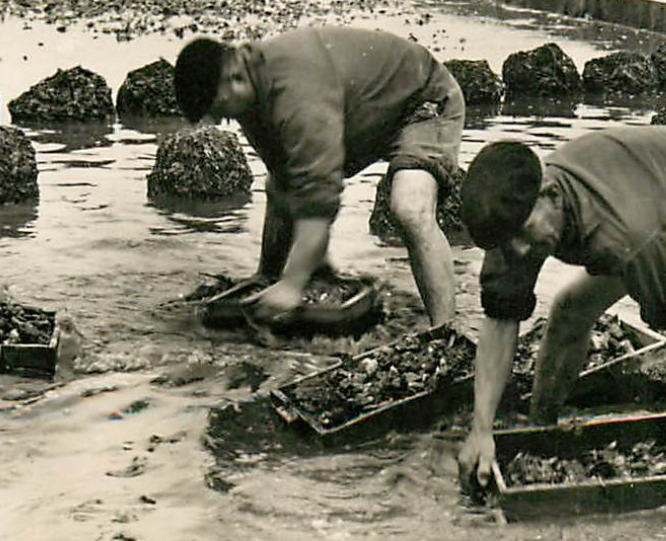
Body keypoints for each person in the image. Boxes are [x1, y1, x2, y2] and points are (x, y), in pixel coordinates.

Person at [455, 126, 666, 510]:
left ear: (551, 194)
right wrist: (482, 429)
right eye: (507, 243)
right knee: (570, 311)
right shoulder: (510, 221)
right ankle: (541, 431)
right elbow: (500, 320)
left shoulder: (628, 228)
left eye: (523, 234)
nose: (518, 251)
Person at [174, 27, 463, 327]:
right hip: (367, 115)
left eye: (218, 107)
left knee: (409, 209)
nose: (221, 120)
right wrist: (269, 279)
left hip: (424, 100)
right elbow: (286, 185)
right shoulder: (250, 94)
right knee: (285, 188)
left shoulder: (296, 91)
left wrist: (293, 283)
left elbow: (319, 199)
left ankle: (444, 333)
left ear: (233, 76)